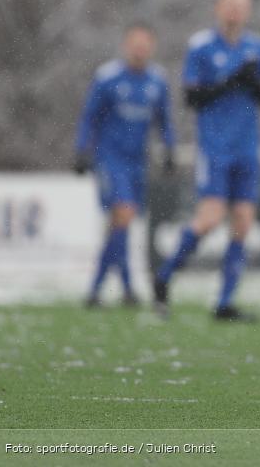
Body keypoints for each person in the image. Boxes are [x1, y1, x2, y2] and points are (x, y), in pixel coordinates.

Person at [153, 0, 260, 322]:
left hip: (248, 148)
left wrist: (255, 85)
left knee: (243, 223)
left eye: (241, 5)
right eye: (230, 5)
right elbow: (192, 98)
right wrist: (232, 80)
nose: (235, 11)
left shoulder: (258, 49)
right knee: (208, 219)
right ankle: (163, 277)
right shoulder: (202, 47)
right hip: (215, 148)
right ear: (218, 9)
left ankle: (224, 302)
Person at [75, 23, 175, 308]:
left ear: (152, 47)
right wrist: (82, 150)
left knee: (121, 225)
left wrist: (169, 149)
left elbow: (164, 119)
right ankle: (126, 287)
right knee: (125, 214)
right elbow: (89, 116)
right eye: (135, 43)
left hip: (137, 162)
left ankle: (100, 290)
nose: (140, 49)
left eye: (145, 44)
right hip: (109, 159)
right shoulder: (108, 77)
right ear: (126, 45)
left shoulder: (157, 80)